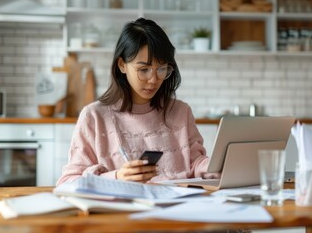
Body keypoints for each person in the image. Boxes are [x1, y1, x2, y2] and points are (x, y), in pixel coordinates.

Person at [57, 17, 212, 185]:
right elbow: (67, 182)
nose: (153, 79)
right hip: (123, 209)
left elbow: (196, 164)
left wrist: (219, 165)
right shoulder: (94, 117)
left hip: (178, 207)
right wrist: (117, 177)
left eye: (161, 69)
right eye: (144, 69)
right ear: (122, 65)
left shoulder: (181, 111)